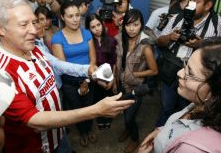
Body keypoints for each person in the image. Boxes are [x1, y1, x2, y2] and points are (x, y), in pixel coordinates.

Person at [0, 0, 134, 153]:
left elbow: (58, 64)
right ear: (0, 28)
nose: (34, 30)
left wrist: (88, 70)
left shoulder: (34, 49)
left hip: (58, 134)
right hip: (35, 148)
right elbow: (34, 120)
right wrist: (96, 110)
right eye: (24, 24)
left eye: (33, 22)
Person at [138, 37, 221, 153]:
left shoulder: (191, 149)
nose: (179, 73)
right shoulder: (200, 103)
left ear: (214, 91)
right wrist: (163, 132)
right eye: (185, 65)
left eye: (190, 73)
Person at [156, 0, 221, 127]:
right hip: (171, 71)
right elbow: (158, 41)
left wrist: (201, 45)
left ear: (208, 5)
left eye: (196, 1)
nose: (190, 4)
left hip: (196, 81)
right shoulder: (177, 18)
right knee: (166, 107)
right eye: (190, 0)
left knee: (189, 112)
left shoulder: (218, 25)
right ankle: (160, 133)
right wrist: (169, 37)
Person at [51, 1, 97, 147]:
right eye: (70, 16)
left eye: (77, 15)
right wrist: (80, 81)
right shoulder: (57, 38)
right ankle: (83, 132)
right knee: (77, 110)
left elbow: (93, 58)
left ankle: (89, 130)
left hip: (89, 78)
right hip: (70, 83)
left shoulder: (87, 33)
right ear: (63, 17)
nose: (75, 19)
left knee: (89, 107)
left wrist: (87, 80)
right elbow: (63, 67)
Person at [115, 9, 158, 153]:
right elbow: (117, 62)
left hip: (134, 89)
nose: (132, 29)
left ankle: (135, 139)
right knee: (124, 112)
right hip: (120, 84)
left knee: (129, 117)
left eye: (136, 24)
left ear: (141, 25)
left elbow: (154, 70)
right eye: (128, 25)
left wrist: (136, 73)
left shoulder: (145, 46)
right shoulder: (120, 39)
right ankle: (128, 129)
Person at [85, 13, 117, 130]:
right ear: (88, 29)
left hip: (108, 76)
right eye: (93, 27)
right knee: (97, 100)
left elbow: (114, 61)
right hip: (94, 77)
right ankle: (100, 119)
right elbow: (88, 62)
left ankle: (108, 118)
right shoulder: (88, 43)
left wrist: (113, 79)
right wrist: (97, 79)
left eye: (98, 25)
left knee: (108, 99)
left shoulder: (111, 40)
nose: (97, 29)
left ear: (102, 24)